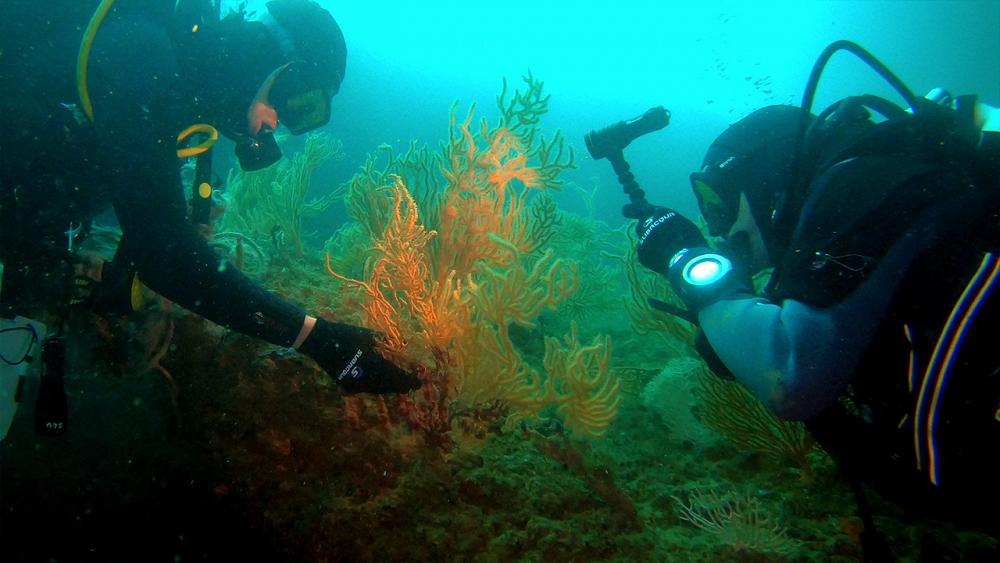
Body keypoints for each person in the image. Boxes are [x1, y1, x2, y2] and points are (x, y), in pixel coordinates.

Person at [632, 42, 999, 546]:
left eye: (719, 200)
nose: (717, 228)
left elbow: (793, 378)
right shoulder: (875, 185)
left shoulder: (854, 182)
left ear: (766, 181)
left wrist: (685, 259)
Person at [0, 0, 419, 439]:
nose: (279, 123)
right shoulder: (142, 53)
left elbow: (148, 232)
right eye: (296, 101)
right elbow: (165, 253)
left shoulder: (181, 96)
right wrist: (318, 340)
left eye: (305, 118)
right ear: (268, 56)